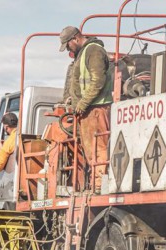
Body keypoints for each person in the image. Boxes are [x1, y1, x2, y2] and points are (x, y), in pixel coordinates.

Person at [59, 25, 113, 191]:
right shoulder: (84, 53)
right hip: (89, 109)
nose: (68, 48)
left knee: (98, 149)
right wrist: (72, 100)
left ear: (75, 39)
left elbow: (97, 81)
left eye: (68, 44)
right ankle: (96, 184)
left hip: (96, 108)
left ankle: (99, 186)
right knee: (92, 150)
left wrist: (82, 104)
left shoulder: (94, 51)